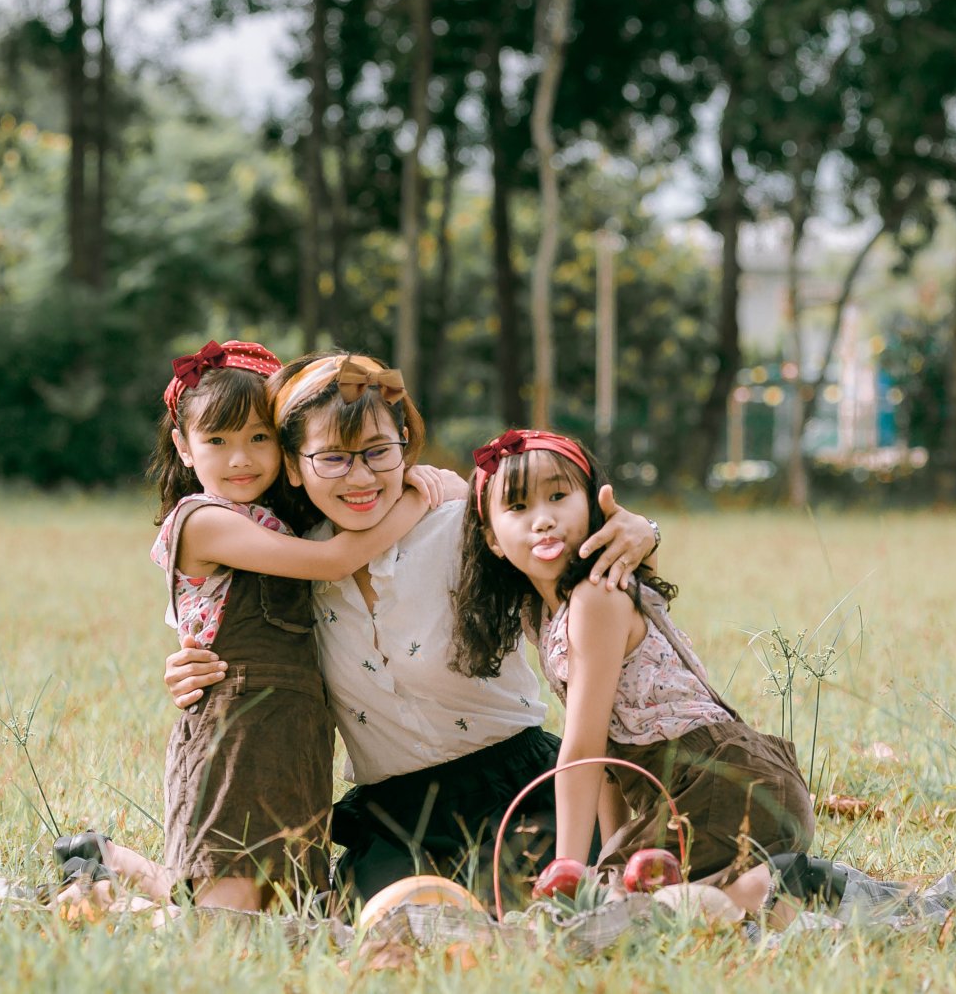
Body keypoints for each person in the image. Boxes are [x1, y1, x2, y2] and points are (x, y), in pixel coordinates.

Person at [162, 351, 663, 904]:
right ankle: (125, 873)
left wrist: (642, 532)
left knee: (555, 906)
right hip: (398, 818)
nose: (360, 476)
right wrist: (190, 661)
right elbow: (232, 625)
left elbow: (583, 567)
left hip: (516, 786)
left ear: (405, 441)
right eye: (331, 458)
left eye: (379, 452)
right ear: (294, 464)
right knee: (389, 924)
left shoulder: (467, 528)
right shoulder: (291, 562)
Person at [80, 339, 458, 913]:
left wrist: (437, 480)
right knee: (225, 925)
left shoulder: (287, 520)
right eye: (218, 441)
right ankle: (105, 881)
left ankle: (118, 863)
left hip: (302, 736)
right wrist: (413, 495)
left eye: (259, 438)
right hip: (233, 732)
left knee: (287, 913)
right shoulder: (201, 521)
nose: (241, 459)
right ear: (183, 447)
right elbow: (333, 563)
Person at [449, 428, 814, 882]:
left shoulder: (595, 597)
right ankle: (768, 887)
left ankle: (800, 890)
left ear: (591, 504)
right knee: (619, 887)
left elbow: (582, 750)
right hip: (686, 793)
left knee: (607, 902)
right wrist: (611, 851)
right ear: (493, 540)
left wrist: (568, 871)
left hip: (722, 784)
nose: (542, 520)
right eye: (518, 507)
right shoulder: (543, 614)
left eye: (558, 496)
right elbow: (606, 752)